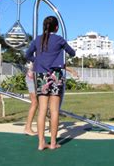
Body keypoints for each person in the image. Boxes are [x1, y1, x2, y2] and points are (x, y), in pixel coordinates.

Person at [25, 16, 76, 151]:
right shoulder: (59, 39)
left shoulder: (37, 39)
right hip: (56, 75)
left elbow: (27, 54)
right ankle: (53, 143)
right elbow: (72, 53)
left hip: (40, 74)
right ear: (56, 27)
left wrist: (38, 60)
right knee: (54, 111)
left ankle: (41, 143)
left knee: (42, 109)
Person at [23, 62, 38, 136]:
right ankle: (27, 128)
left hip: (36, 78)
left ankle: (28, 127)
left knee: (40, 103)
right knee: (34, 103)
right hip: (32, 78)